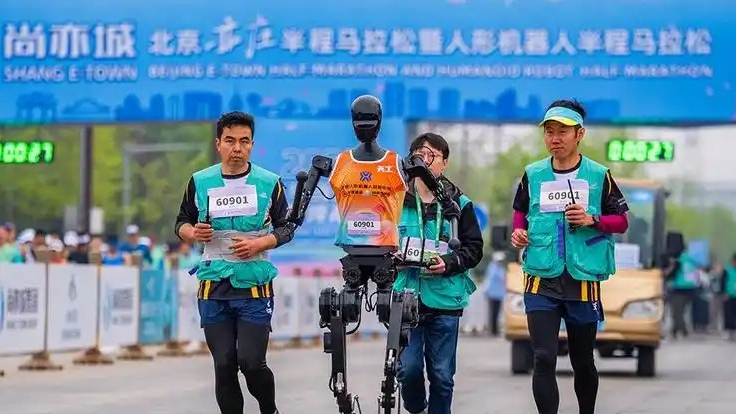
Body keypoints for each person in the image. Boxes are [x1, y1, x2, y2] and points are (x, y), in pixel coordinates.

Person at [510, 100, 629, 414]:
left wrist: (593, 219)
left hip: (582, 279)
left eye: (562, 131)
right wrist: (519, 231)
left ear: (580, 134)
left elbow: (621, 221)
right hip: (541, 277)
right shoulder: (533, 174)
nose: (555, 138)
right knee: (543, 357)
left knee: (583, 360)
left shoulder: (599, 175)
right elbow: (520, 211)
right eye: (549, 132)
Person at [174, 111, 295, 414]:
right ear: (218, 144)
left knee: (251, 363)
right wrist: (193, 233)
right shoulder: (200, 181)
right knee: (224, 364)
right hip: (213, 286)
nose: (237, 148)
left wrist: (259, 243)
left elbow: (286, 228)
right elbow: (181, 223)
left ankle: (269, 409)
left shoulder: (269, 182)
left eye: (244, 141)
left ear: (252, 144)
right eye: (230, 141)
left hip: (254, 286)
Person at [395, 132, 484, 414]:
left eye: (432, 155)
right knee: (407, 370)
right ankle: (417, 408)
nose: (425, 160)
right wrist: (392, 259)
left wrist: (449, 262)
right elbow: (380, 239)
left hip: (445, 298)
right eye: (419, 154)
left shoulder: (459, 204)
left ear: (444, 163)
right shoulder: (395, 199)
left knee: (442, 376)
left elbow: (474, 249)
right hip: (404, 298)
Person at [484, 251, 507, 337]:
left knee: (497, 312)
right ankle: (493, 330)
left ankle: (495, 330)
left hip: (499, 294)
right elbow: (488, 279)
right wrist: (486, 290)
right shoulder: (492, 268)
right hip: (492, 293)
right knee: (493, 312)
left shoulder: (501, 268)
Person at [720, 253, 736, 341]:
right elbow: (723, 282)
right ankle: (730, 333)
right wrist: (724, 293)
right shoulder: (727, 271)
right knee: (729, 315)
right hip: (730, 295)